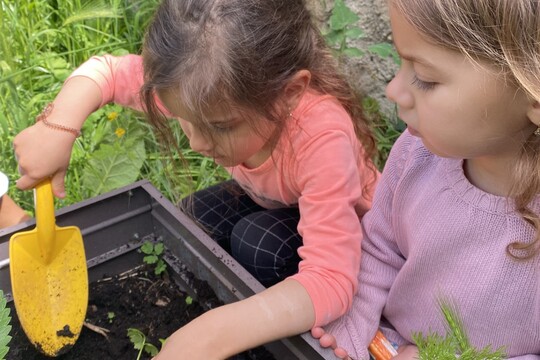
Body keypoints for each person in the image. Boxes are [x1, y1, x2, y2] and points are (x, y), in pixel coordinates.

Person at [13, 0, 380, 358]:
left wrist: (216, 334)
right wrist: (57, 126)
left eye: (221, 127)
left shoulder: (322, 137)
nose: (197, 142)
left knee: (256, 245)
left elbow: (332, 279)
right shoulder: (196, 82)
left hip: (354, 236)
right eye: (182, 117)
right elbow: (105, 72)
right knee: (189, 220)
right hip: (277, 200)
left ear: (288, 94)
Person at [311, 0, 540, 359]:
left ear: (532, 91)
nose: (394, 90)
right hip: (384, 343)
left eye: (426, 79)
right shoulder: (417, 152)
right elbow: (379, 248)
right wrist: (350, 332)